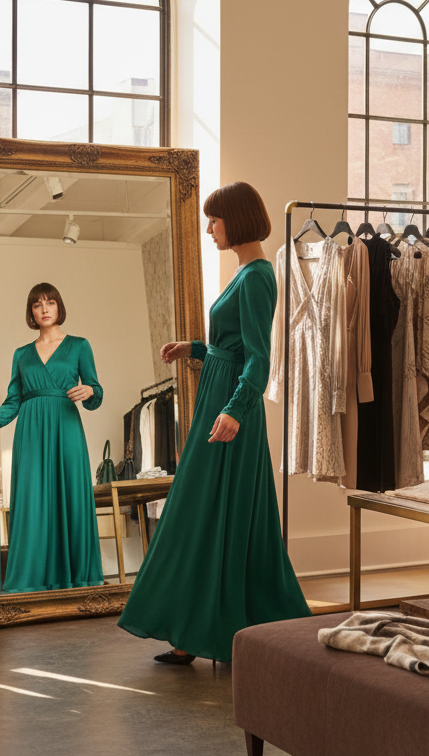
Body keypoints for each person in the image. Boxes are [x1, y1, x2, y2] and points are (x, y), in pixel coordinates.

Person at [117, 181, 311, 663]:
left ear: (236, 220)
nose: (209, 229)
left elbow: (259, 359)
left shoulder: (258, 276)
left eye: (214, 220)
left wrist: (235, 410)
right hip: (218, 399)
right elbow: (233, 348)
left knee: (210, 511)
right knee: (204, 510)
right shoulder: (244, 272)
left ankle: (207, 631)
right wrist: (195, 349)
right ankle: (194, 629)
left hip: (230, 410)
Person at [0, 283, 105, 592]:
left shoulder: (79, 345)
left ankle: (77, 576)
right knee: (32, 500)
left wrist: (89, 391)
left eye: (50, 302)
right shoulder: (21, 354)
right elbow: (12, 402)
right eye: (37, 304)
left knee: (71, 496)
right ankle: (32, 580)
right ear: (31, 312)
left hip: (66, 428)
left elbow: (95, 391)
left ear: (59, 307)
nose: (44, 309)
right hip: (30, 434)